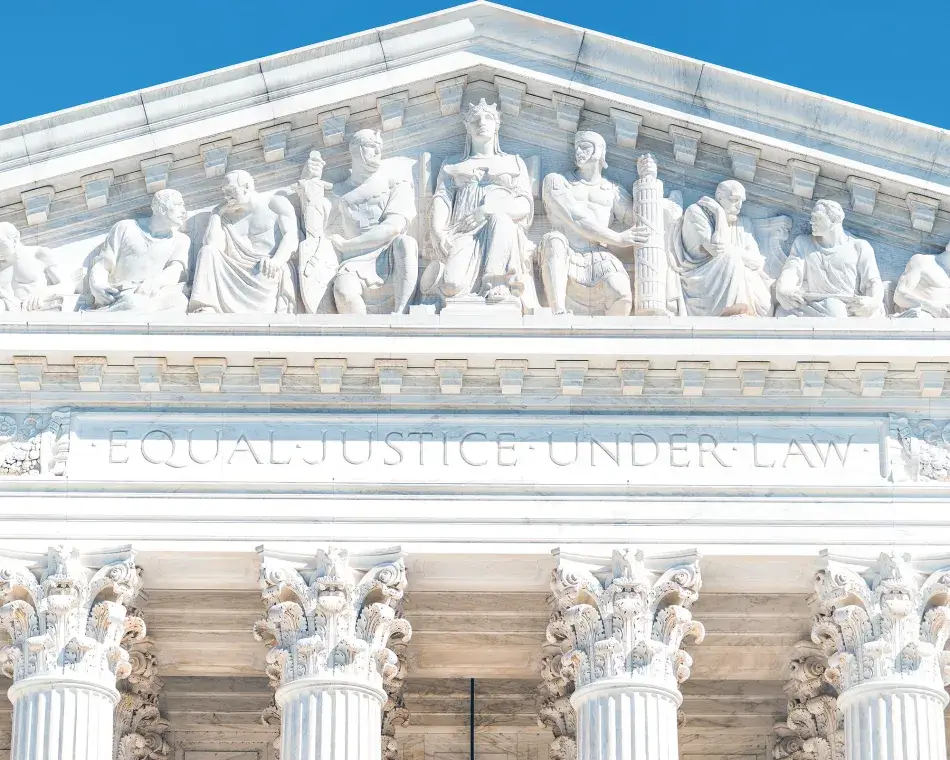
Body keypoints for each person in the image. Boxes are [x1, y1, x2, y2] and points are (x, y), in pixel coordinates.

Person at [422, 98, 538, 311]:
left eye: (488, 118)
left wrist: (487, 210)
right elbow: (442, 199)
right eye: (475, 119)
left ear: (497, 124)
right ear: (467, 126)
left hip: (502, 232)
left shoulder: (513, 162)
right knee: (451, 285)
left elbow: (524, 205)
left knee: (501, 220)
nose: (482, 122)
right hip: (463, 230)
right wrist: (437, 230)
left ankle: (497, 281)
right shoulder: (452, 164)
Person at [298, 131, 419, 315]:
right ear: (354, 149)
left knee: (407, 243)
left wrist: (348, 245)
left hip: (389, 255)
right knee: (344, 291)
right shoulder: (338, 193)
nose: (377, 152)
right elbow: (315, 228)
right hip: (354, 263)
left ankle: (402, 314)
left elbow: (393, 227)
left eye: (380, 147)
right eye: (371, 146)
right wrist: (310, 181)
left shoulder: (395, 185)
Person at [539, 131, 647, 315]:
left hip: (598, 255)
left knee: (622, 295)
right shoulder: (557, 181)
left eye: (585, 146)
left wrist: (649, 180)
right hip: (565, 252)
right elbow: (576, 218)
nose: (578, 151)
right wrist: (618, 238)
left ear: (600, 152)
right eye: (577, 147)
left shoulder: (612, 191)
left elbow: (639, 220)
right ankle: (558, 312)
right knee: (554, 240)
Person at [189, 170, 299, 314]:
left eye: (230, 190)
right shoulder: (228, 216)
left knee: (264, 273)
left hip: (266, 270)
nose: (226, 196)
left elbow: (291, 237)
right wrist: (216, 213)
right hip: (233, 271)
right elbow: (213, 246)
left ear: (247, 187)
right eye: (224, 192)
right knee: (207, 251)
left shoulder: (275, 203)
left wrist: (277, 261)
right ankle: (207, 307)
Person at [671, 180, 772, 317]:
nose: (739, 207)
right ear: (719, 197)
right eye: (734, 200)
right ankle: (733, 310)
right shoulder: (696, 212)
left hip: (737, 276)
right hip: (700, 278)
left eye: (741, 201)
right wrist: (719, 215)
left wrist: (733, 251)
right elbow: (717, 249)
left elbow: (757, 261)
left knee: (765, 304)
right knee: (731, 258)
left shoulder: (743, 223)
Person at [776, 199, 884, 318]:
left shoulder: (859, 247)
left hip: (849, 308)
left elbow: (873, 282)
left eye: (817, 217)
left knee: (836, 309)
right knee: (782, 312)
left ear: (834, 220)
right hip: (811, 306)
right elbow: (792, 270)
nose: (811, 222)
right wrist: (783, 290)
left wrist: (873, 302)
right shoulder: (803, 243)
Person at [88, 189, 190, 312]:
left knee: (179, 302)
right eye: (178, 205)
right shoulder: (125, 228)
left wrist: (156, 282)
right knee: (135, 304)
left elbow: (175, 270)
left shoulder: (181, 240)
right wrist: (96, 284)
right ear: (161, 209)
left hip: (154, 295)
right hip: (122, 295)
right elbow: (103, 264)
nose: (184, 211)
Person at [0, 222, 75, 312]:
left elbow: (68, 285)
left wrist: (43, 292)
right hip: (8, 312)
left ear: (14, 239)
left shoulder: (39, 254)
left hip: (36, 311)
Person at [893, 244, 950, 318]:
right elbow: (899, 296)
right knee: (921, 316)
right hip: (922, 317)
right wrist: (931, 307)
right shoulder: (923, 262)